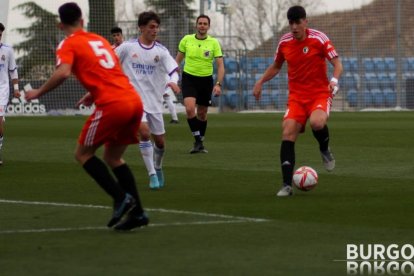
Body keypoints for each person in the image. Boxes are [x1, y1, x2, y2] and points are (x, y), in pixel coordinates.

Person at [25, 2, 148, 231]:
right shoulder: (99, 40)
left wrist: (37, 92)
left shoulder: (68, 43)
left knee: (82, 154)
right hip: (133, 100)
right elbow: (110, 72)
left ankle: (121, 198)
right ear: (82, 21)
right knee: (113, 158)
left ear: (60, 24)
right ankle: (138, 213)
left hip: (113, 104)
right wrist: (92, 94)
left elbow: (63, 72)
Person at [253, 5, 343, 197]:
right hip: (296, 98)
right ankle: (286, 185)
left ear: (305, 22)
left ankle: (324, 149)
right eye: (291, 23)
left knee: (317, 123)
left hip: (319, 93)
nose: (294, 27)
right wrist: (260, 81)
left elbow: (337, 63)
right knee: (287, 131)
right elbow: (276, 66)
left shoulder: (319, 38)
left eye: (297, 22)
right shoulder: (284, 42)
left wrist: (334, 80)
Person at [115, 11, 180, 190]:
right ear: (141, 28)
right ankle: (151, 174)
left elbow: (174, 71)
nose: (155, 30)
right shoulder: (127, 47)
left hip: (154, 102)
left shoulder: (161, 51)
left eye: (157, 27)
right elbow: (109, 62)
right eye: (151, 27)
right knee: (144, 133)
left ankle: (158, 167)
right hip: (133, 100)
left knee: (160, 142)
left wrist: (173, 83)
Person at [175, 14, 225, 154]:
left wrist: (218, 84)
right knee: (190, 109)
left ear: (208, 26)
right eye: (200, 23)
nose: (202, 26)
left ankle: (200, 142)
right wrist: (173, 78)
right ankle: (197, 140)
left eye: (205, 24)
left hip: (206, 80)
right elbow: (176, 61)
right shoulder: (186, 40)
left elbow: (221, 66)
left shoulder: (213, 43)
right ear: (196, 25)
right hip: (189, 78)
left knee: (202, 113)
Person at [0, 23, 20, 165]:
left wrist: (16, 88)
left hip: (2, 89)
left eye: (0, 34)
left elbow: (13, 70)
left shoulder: (7, 50)